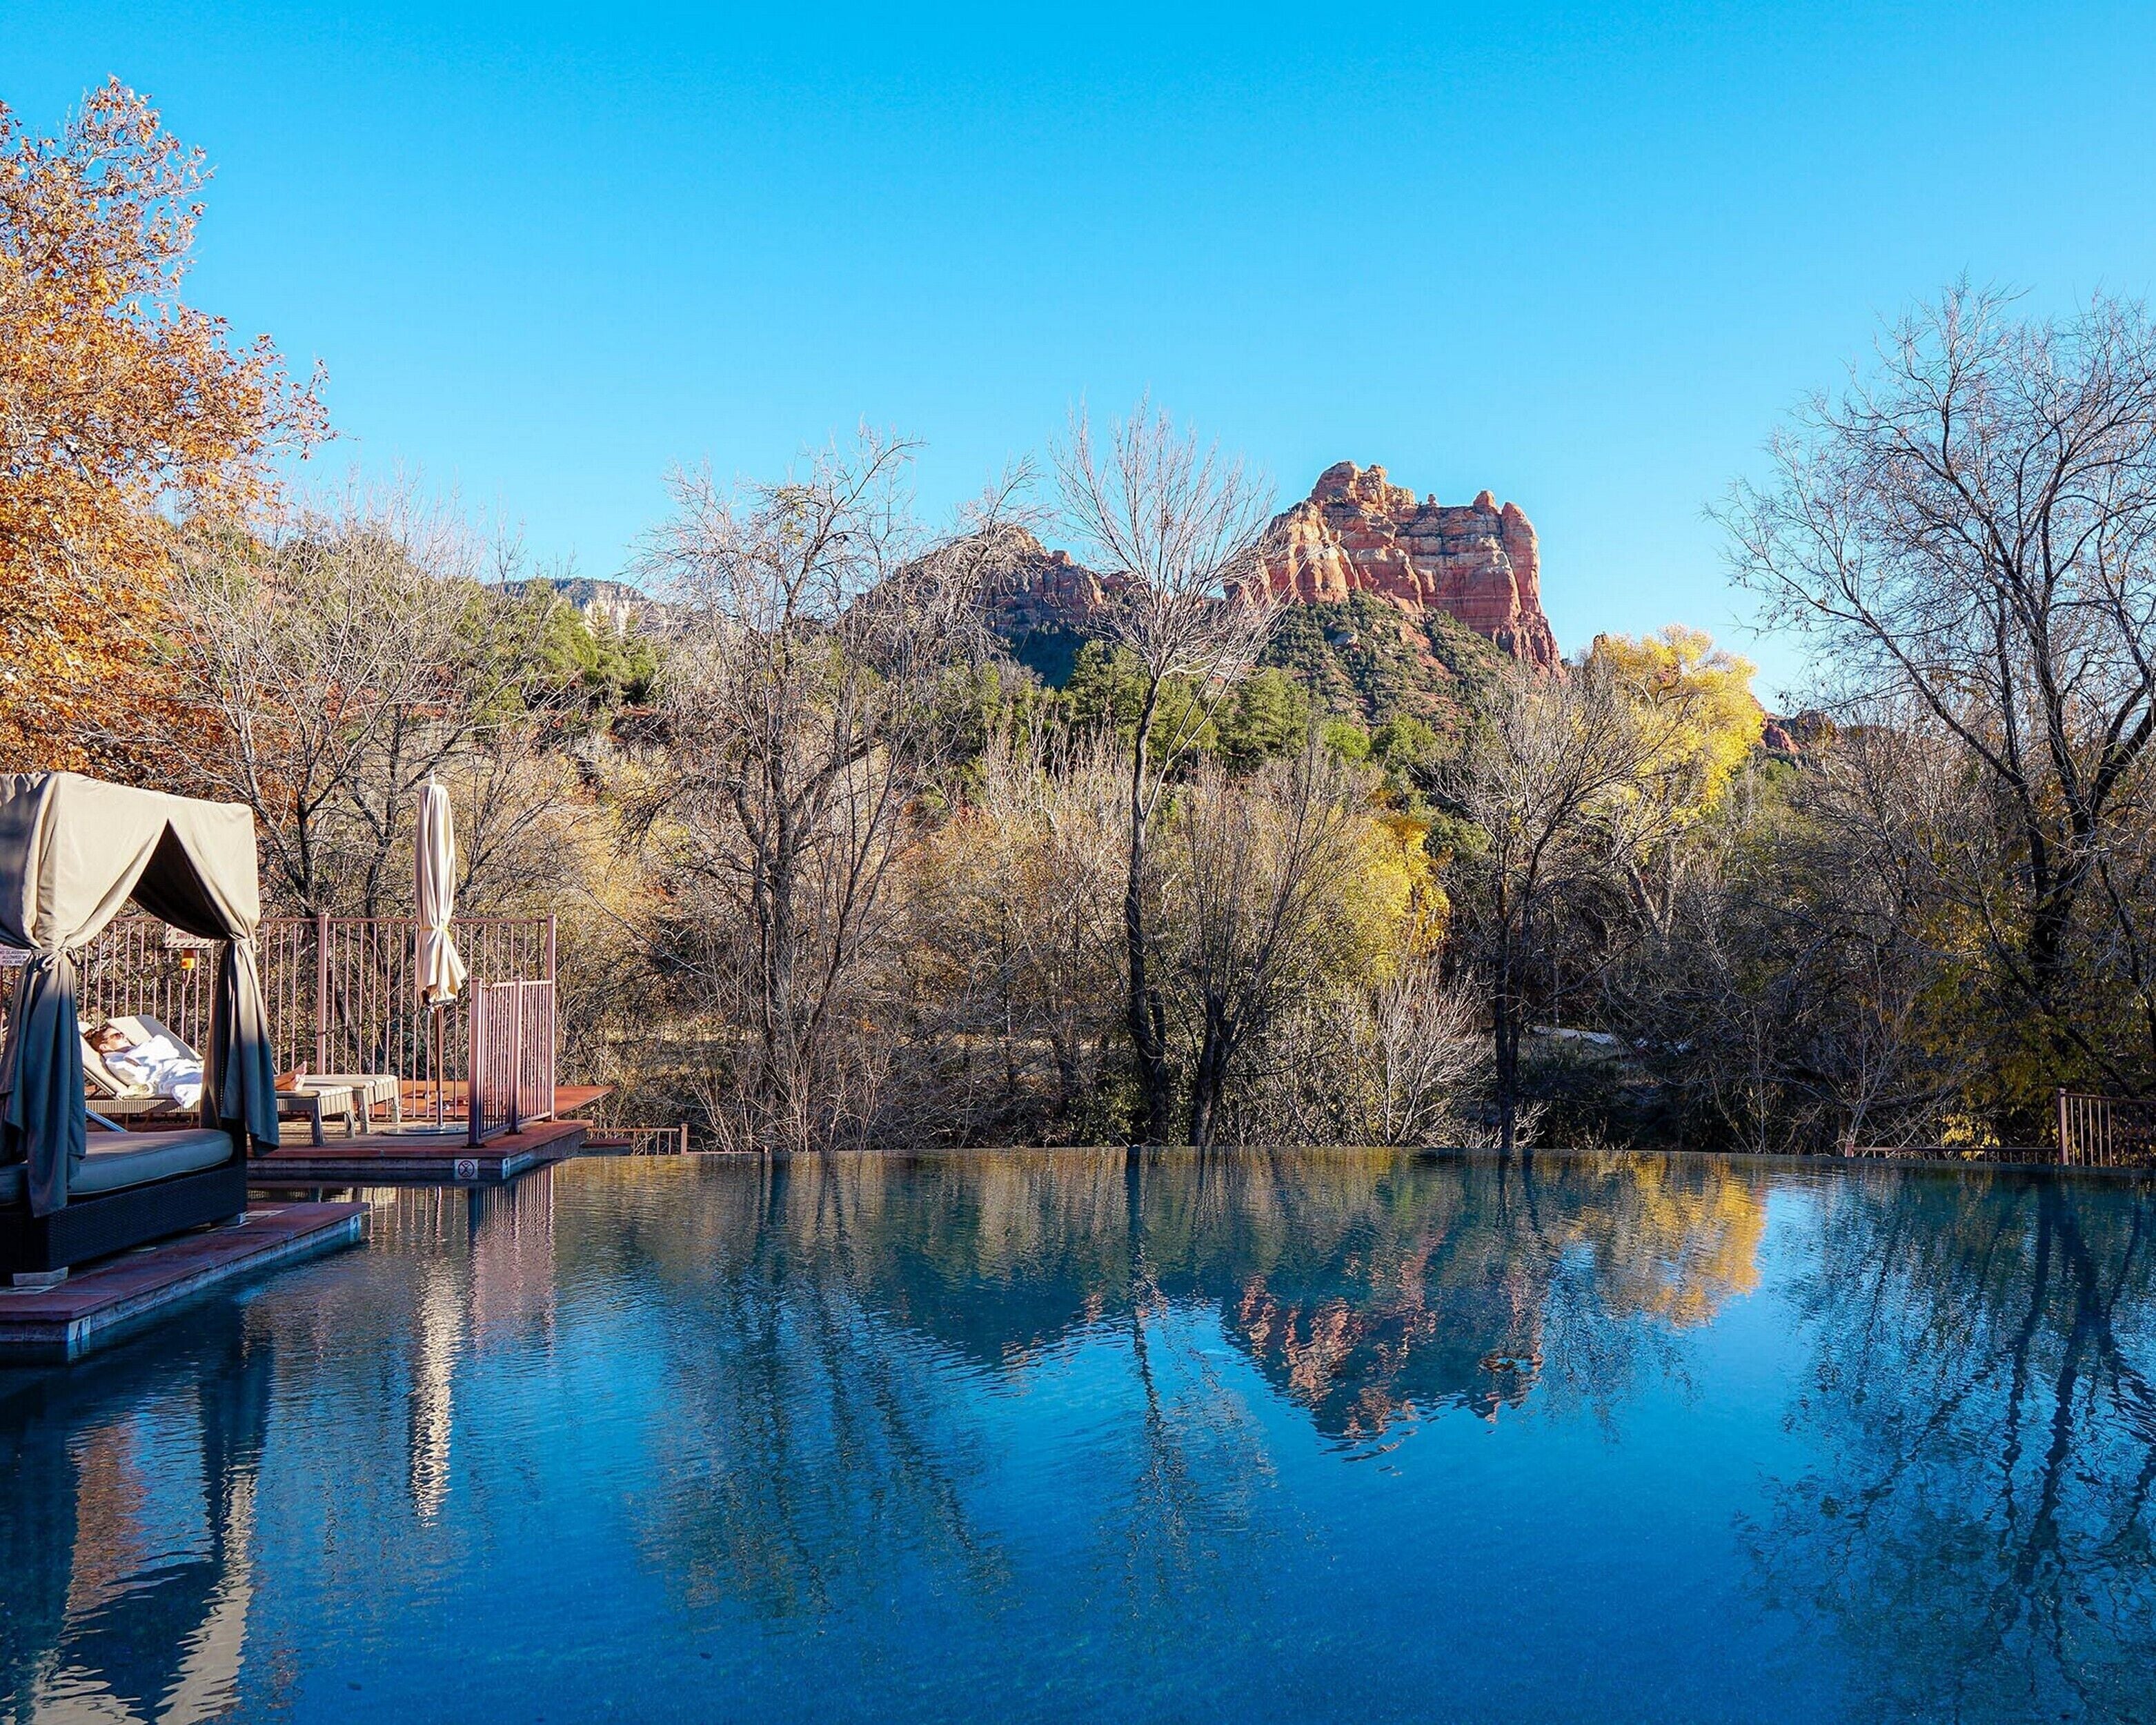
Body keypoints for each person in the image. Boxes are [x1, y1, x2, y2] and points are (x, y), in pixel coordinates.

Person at [88, 1021, 204, 1111]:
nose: (124, 1037)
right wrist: (138, 1054)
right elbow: (140, 1078)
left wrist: (135, 1054)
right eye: (117, 1036)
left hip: (186, 1069)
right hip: (173, 1077)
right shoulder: (116, 1063)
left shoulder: (135, 1051)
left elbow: (163, 1043)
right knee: (208, 1084)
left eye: (123, 1034)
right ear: (105, 1047)